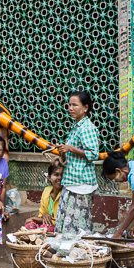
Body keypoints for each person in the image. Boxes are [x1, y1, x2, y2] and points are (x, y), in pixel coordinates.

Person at [54, 91, 99, 235]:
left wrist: (70, 148)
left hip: (81, 183)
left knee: (78, 225)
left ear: (85, 108)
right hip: (72, 181)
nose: (70, 108)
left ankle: (81, 253)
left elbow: (93, 153)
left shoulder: (87, 128)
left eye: (75, 105)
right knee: (67, 222)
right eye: (69, 105)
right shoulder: (76, 126)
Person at [24, 159, 64, 232]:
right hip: (45, 224)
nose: (59, 178)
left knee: (44, 228)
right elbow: (41, 214)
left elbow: (59, 221)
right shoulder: (46, 191)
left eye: (62, 175)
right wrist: (44, 215)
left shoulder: (65, 194)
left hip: (59, 227)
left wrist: (34, 218)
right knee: (29, 225)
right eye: (56, 174)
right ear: (49, 177)